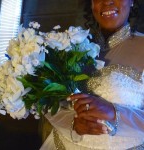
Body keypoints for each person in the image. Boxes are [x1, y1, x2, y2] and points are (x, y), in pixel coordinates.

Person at [40, 0, 144, 149]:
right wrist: (73, 123)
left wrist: (114, 113)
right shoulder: (67, 46)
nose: (107, 1)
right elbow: (46, 101)